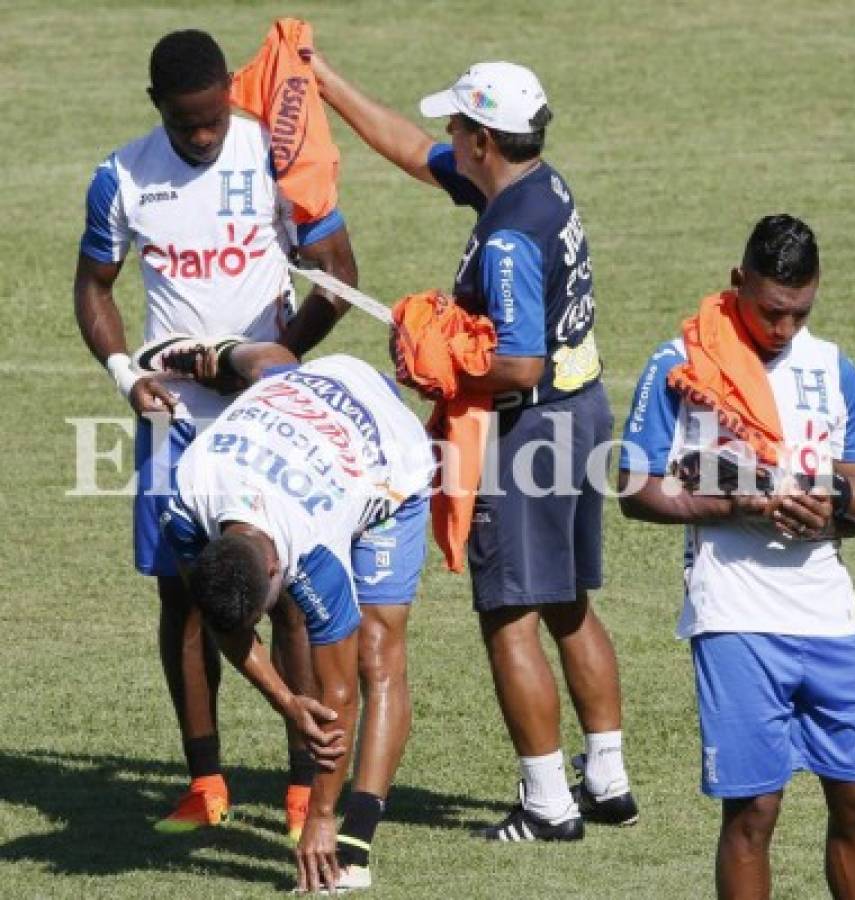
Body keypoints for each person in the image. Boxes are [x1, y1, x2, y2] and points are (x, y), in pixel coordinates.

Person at [312, 54, 637, 840]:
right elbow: (404, 146)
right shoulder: (535, 184)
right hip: (582, 410)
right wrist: (322, 79)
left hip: (529, 429)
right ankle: (607, 776)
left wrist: (443, 366)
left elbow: (517, 362)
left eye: (456, 125)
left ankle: (547, 804)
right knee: (565, 601)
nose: (445, 134)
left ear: (484, 140)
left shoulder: (505, 240)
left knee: (508, 614)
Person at [73, 29, 358, 835]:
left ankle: (304, 788)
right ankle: (205, 782)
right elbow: (93, 284)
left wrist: (272, 362)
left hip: (270, 422)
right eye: (183, 123)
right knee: (186, 599)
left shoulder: (272, 153)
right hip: (175, 426)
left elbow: (339, 273)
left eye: (211, 119)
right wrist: (128, 374)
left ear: (230, 96)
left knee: (289, 597)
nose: (201, 137)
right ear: (155, 106)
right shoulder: (121, 177)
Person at [618, 214, 855, 899]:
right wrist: (732, 505)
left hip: (829, 616)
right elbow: (633, 489)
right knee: (753, 812)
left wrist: (829, 512)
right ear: (738, 282)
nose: (782, 329)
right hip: (735, 616)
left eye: (799, 313)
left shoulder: (833, 370)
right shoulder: (680, 364)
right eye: (770, 311)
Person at [160, 340, 435, 892]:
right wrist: (283, 697)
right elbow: (224, 622)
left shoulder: (314, 554)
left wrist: (321, 815)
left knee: (375, 652)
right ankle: (230, 352)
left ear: (275, 572)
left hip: (387, 458)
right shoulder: (188, 498)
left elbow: (338, 697)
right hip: (300, 420)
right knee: (264, 364)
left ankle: (355, 835)